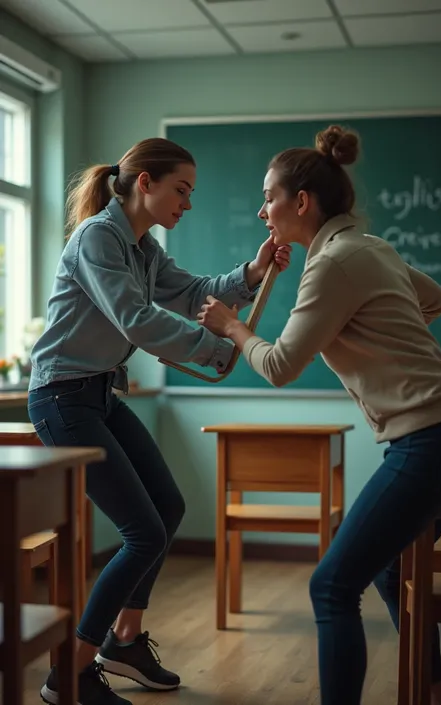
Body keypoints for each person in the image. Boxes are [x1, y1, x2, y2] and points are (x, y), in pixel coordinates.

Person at [197, 125, 441, 705]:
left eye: (269, 197)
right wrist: (381, 341)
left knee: (330, 585)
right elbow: (435, 301)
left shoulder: (332, 266)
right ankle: (438, 695)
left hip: (432, 440)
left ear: (301, 202)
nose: (261, 209)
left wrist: (233, 326)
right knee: (386, 568)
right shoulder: (370, 248)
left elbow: (276, 366)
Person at [27, 137, 291, 705]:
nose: (188, 204)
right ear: (144, 182)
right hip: (60, 398)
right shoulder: (98, 236)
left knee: (167, 509)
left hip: (96, 394)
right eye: (182, 190)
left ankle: (124, 642)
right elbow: (136, 320)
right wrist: (222, 348)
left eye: (191, 193)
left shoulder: (143, 248)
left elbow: (193, 293)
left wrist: (253, 269)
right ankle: (66, 675)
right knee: (143, 532)